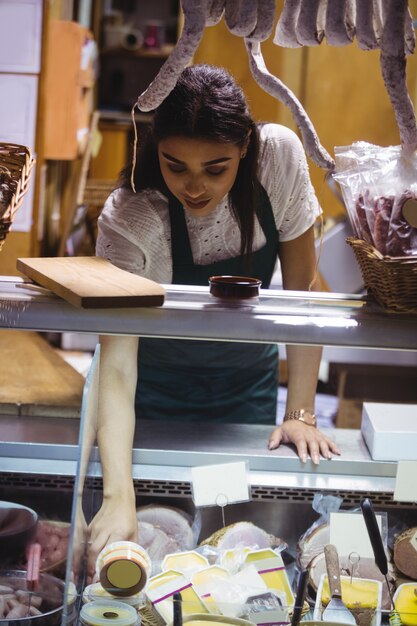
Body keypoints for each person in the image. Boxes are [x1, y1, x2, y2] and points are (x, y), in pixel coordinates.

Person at [88, 64, 340, 575]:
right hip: (148, 395)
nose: (194, 186)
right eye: (175, 165)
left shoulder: (278, 159)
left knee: (233, 544)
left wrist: (300, 412)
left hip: (246, 383)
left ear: (244, 147)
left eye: (215, 168)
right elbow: (116, 363)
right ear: (155, 147)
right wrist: (118, 493)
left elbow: (303, 293)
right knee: (160, 537)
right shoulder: (131, 214)